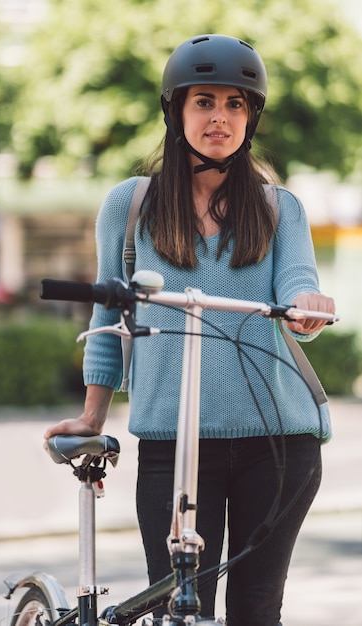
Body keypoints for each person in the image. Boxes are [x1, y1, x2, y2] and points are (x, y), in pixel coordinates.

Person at [44, 35, 336, 626]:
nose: (219, 118)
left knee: (255, 610)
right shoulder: (131, 208)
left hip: (277, 444)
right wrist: (93, 417)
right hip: (173, 444)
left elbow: (298, 287)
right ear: (176, 110)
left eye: (235, 105)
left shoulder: (280, 210)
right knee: (181, 609)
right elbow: (109, 315)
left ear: (250, 117)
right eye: (204, 102)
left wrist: (307, 305)